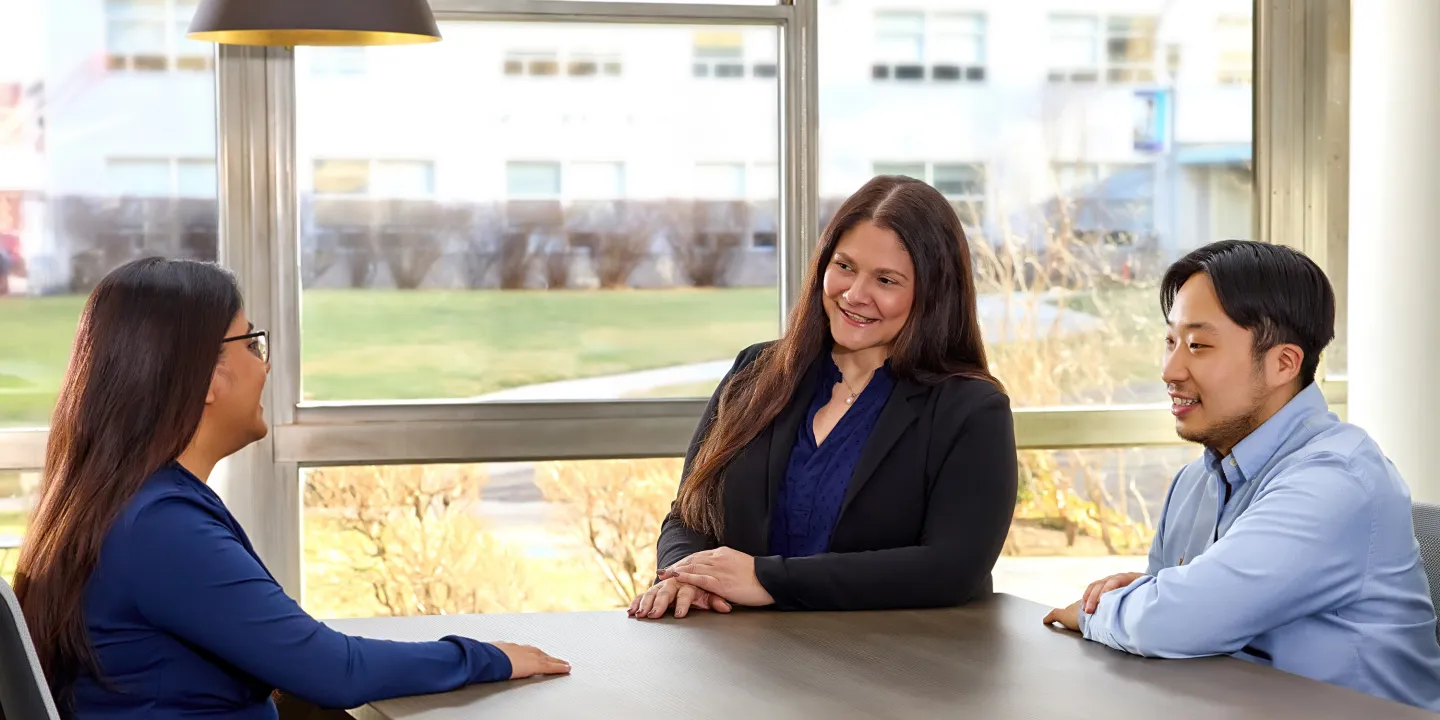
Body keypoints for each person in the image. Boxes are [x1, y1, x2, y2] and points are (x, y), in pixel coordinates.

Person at [11, 258, 570, 719]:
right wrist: (486, 656)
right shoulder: (159, 526)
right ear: (206, 378)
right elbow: (334, 670)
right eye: (251, 345)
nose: (266, 366)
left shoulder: (127, 503)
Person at [1042, 240, 1440, 711]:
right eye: (1170, 342)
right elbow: (1168, 638)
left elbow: (1177, 621)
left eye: (1198, 346)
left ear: (1284, 363)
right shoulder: (1194, 484)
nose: (1170, 370)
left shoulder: (1338, 479)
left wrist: (1104, 612)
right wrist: (1154, 598)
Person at [630, 175, 1018, 618]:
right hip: (740, 659)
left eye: (886, 280)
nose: (854, 294)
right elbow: (690, 513)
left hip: (898, 669)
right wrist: (685, 576)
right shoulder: (754, 372)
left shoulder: (971, 409)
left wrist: (766, 579)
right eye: (845, 266)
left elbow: (952, 568)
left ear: (932, 294)